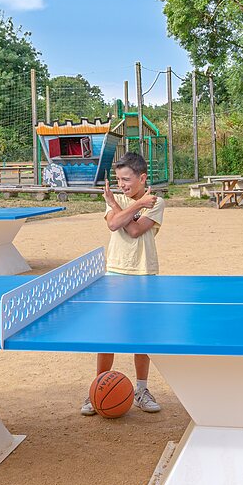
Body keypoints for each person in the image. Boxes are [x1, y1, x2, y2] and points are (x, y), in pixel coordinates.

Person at [81, 151, 165, 416]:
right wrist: (128, 206)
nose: (121, 185)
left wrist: (129, 206)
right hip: (115, 273)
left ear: (142, 178)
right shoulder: (117, 199)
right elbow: (114, 224)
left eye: (126, 179)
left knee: (142, 335)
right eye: (118, 180)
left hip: (144, 274)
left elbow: (135, 230)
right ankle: (97, 389)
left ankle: (141, 389)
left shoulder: (156, 202)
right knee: (108, 335)